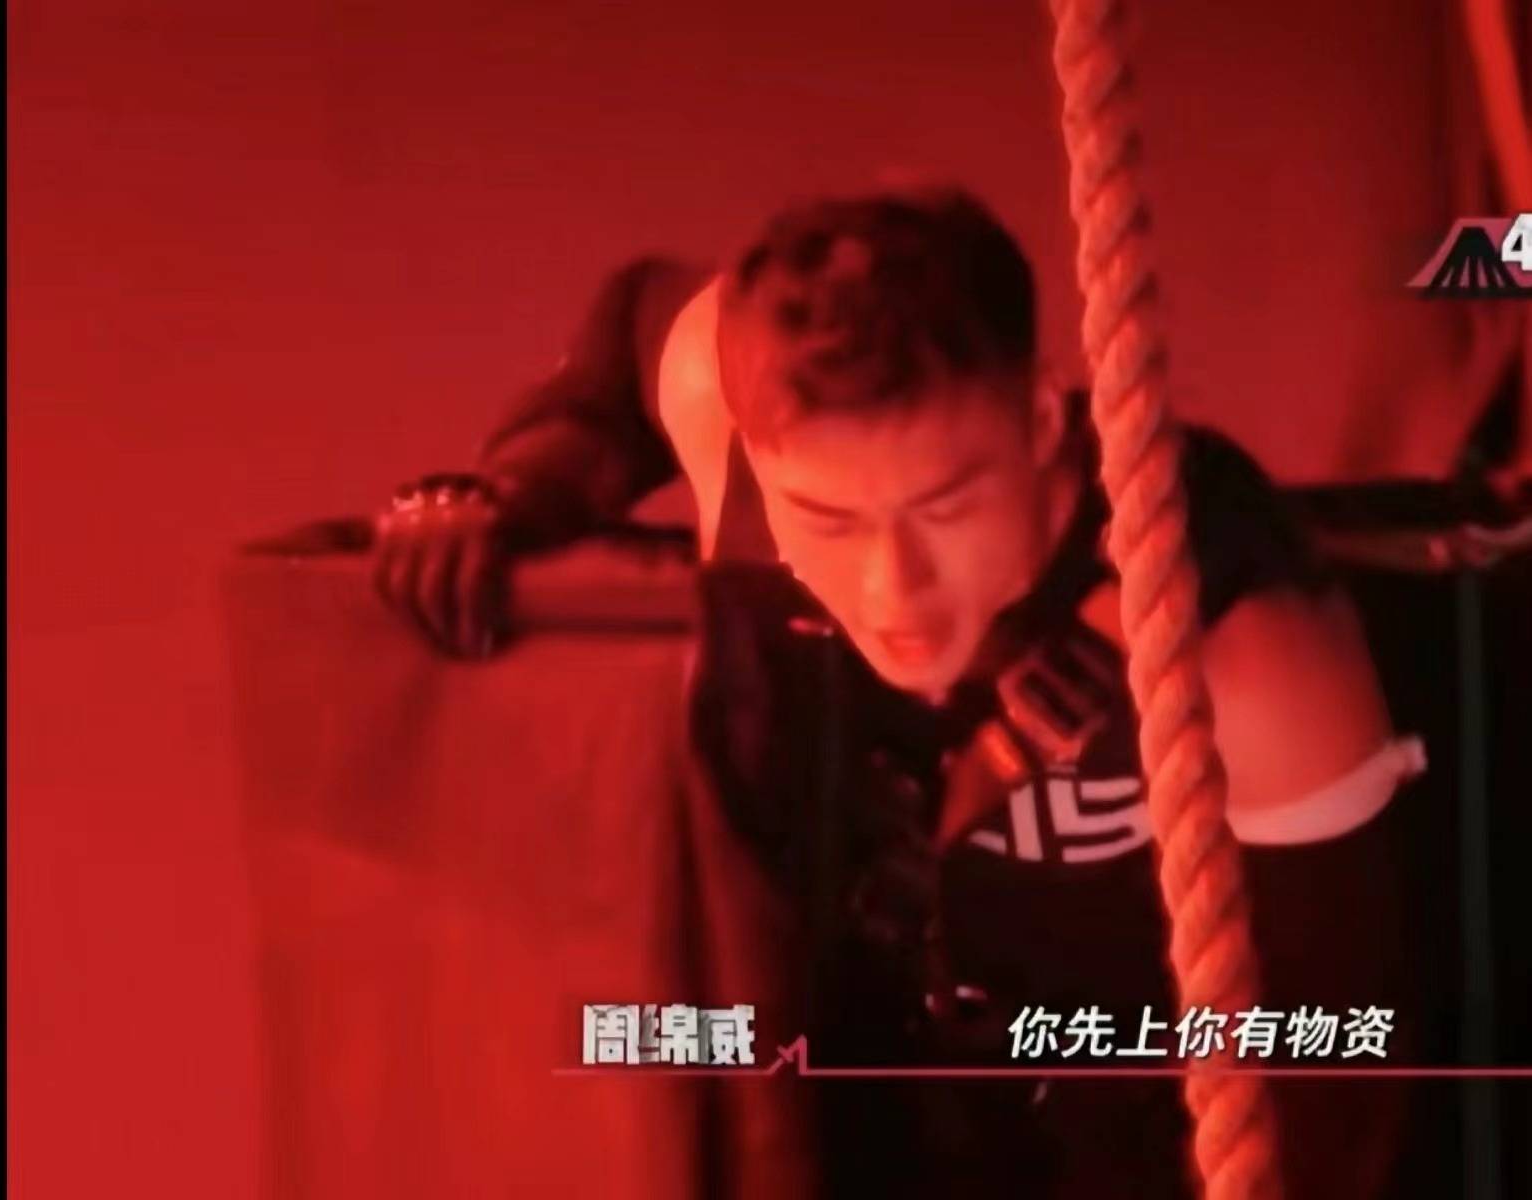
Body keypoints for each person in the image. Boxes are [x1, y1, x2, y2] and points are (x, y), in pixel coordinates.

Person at [374, 189, 1425, 1197]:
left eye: (946, 507)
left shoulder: (1235, 636)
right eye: (826, 520)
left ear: (1041, 423)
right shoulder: (714, 382)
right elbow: (628, 332)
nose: (893, 591)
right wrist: (510, 492)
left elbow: (1336, 1070)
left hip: (1121, 1103)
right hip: (832, 1079)